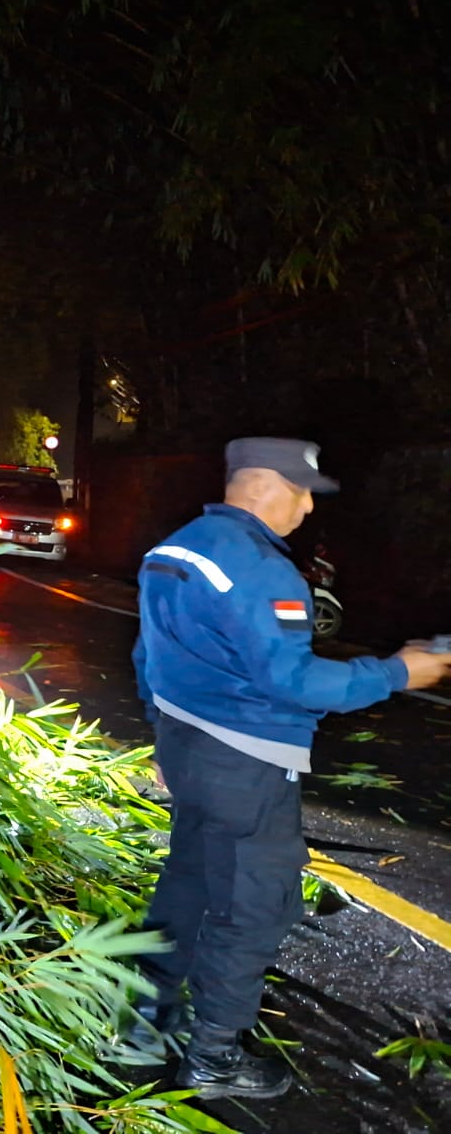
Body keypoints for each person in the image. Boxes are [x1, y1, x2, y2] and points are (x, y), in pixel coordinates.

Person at [128, 437, 451, 1099]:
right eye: (303, 493)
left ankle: (141, 1026)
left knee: (186, 888)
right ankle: (215, 1060)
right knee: (254, 908)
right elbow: (295, 682)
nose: (306, 509)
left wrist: (164, 744)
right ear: (265, 485)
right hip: (246, 764)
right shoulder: (260, 569)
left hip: (189, 752)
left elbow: (148, 658)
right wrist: (398, 671)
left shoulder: (175, 548)